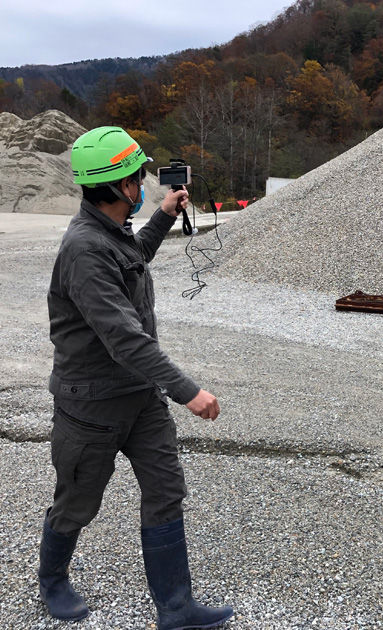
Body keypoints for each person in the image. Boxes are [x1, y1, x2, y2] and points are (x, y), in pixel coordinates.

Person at [39, 126, 233, 630]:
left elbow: (132, 259)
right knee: (78, 502)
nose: (144, 182)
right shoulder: (83, 248)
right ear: (121, 187)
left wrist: (163, 217)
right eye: (138, 176)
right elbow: (123, 338)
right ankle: (52, 580)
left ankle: (176, 608)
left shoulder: (112, 230)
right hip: (91, 406)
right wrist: (188, 391)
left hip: (140, 397)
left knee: (166, 491)